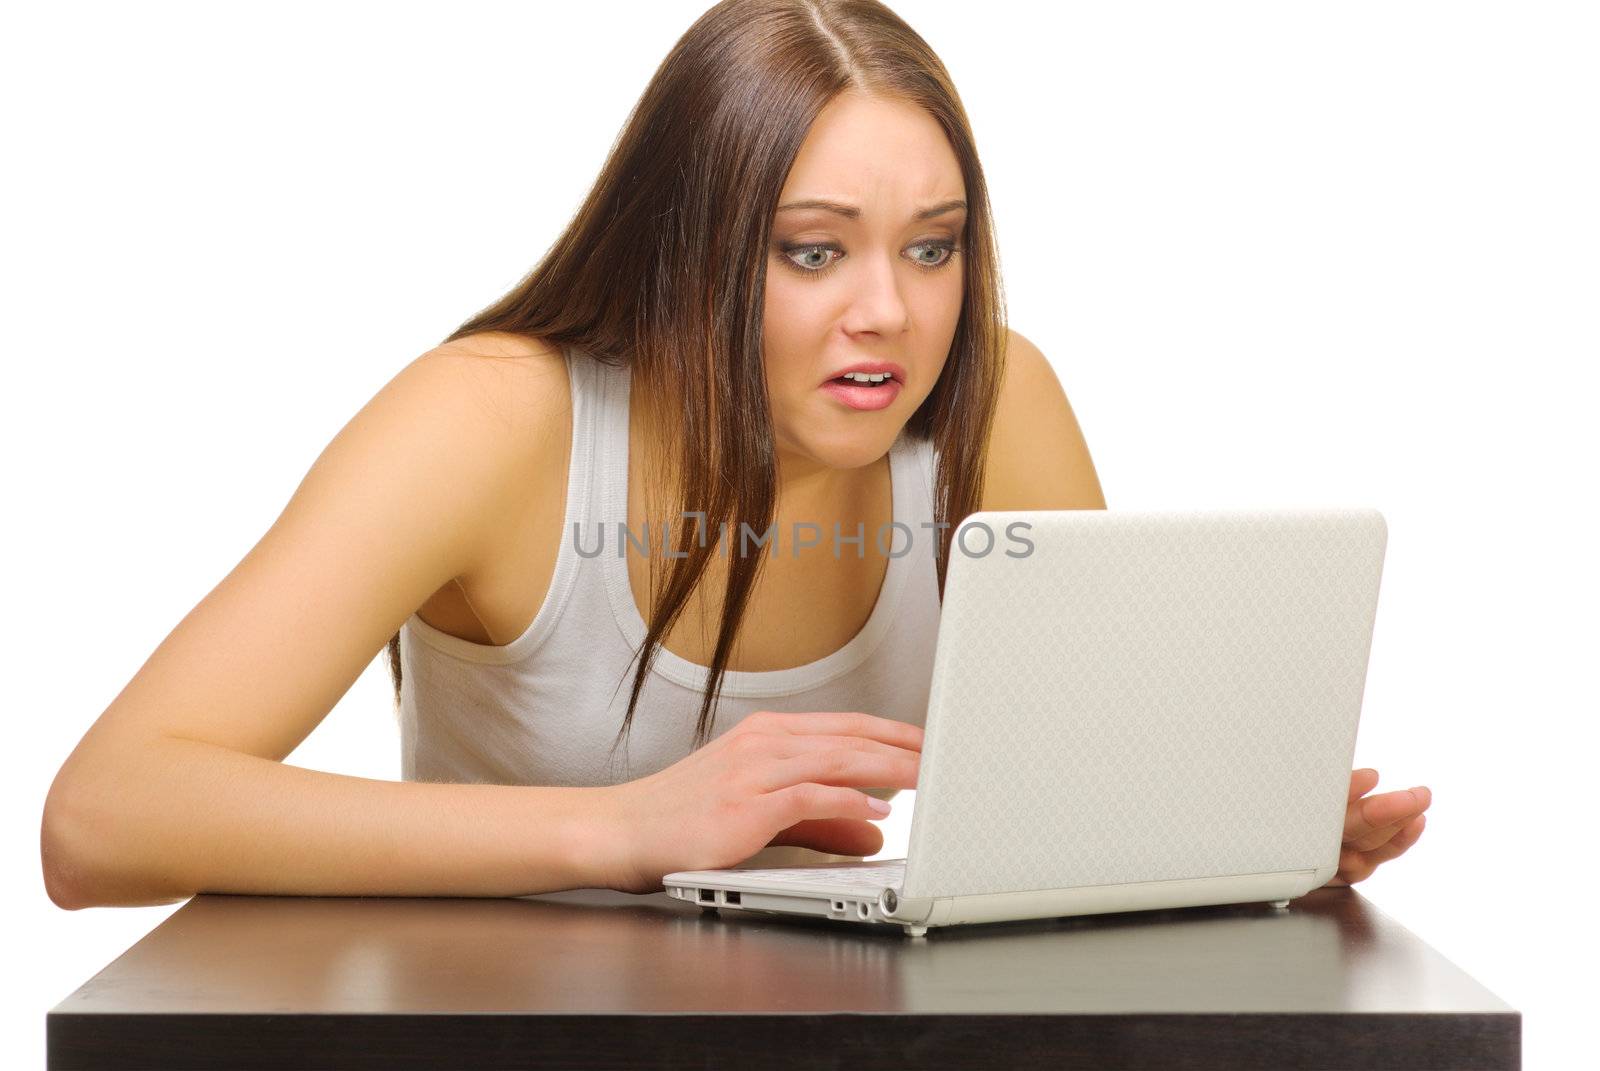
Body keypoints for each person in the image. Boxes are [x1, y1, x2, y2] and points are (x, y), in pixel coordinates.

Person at [40, 0, 1429, 909]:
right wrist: (630, 828)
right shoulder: (488, 423)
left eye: (933, 247)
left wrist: (1255, 849)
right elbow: (104, 816)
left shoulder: (996, 411)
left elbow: (1094, 818)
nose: (888, 309)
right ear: (688, 251)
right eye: (812, 252)